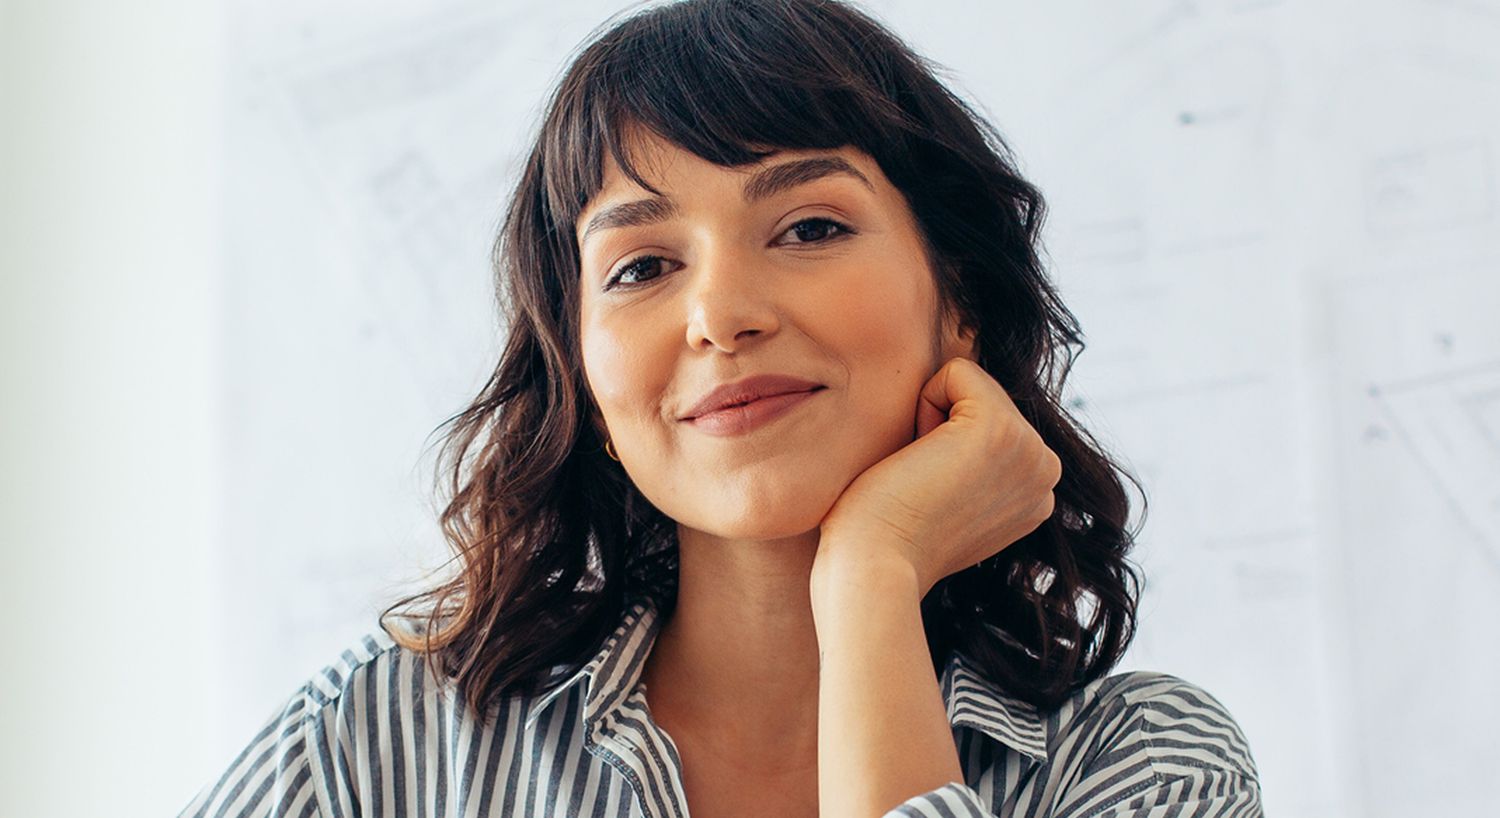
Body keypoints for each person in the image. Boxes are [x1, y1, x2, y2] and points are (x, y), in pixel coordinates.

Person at [180, 0, 1263, 815]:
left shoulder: (1143, 765)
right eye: (643, 264)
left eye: (808, 228)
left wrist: (872, 579)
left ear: (961, 301)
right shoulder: (386, 741)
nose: (721, 314)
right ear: (587, 379)